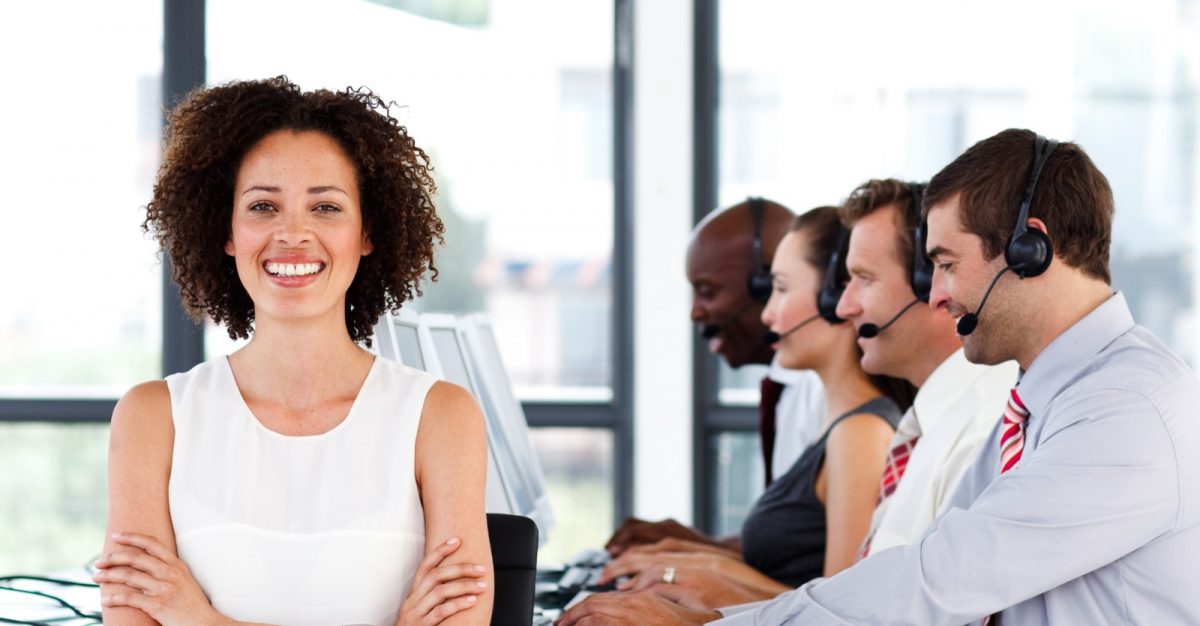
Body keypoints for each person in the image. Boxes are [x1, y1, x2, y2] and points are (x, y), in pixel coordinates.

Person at [563, 128, 1200, 625]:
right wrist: (710, 616)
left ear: (1028, 250)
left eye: (946, 264)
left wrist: (704, 625)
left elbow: (940, 580)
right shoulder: (1039, 404)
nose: (939, 296)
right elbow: (905, 570)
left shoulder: (1127, 407)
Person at [94, 77, 493, 626]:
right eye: (262, 206)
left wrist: (200, 620)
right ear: (227, 230)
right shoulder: (151, 419)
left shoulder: (442, 418)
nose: (293, 234)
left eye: (326, 207)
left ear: (367, 231)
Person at [595, 207, 910, 595]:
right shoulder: (839, 423)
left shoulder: (861, 433)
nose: (768, 314)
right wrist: (692, 559)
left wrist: (699, 574)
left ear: (835, 297)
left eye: (781, 288)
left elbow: (838, 610)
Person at [605, 199, 826, 556]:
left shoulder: (825, 394)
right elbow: (797, 552)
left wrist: (694, 571)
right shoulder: (789, 386)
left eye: (707, 291)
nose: (695, 312)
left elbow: (829, 578)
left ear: (764, 285)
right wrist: (697, 547)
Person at [835, 179, 1016, 556]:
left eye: (864, 279)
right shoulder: (929, 424)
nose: (843, 307)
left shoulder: (980, 435)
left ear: (930, 282)